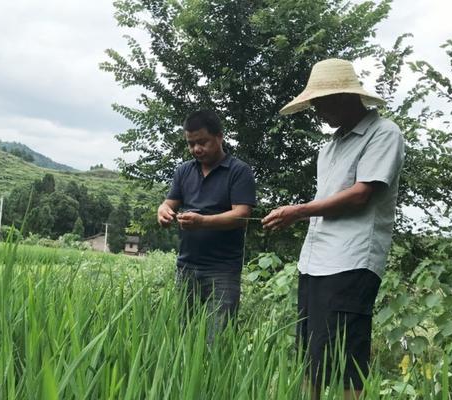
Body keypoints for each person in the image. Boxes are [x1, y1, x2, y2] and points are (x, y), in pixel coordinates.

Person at [262, 59, 405, 398]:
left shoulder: (384, 133)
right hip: (314, 262)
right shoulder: (328, 149)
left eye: (321, 103)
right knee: (310, 356)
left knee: (346, 360)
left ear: (345, 97)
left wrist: (298, 211)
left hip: (352, 261)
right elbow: (327, 200)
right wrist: (300, 214)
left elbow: (361, 195)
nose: (317, 113)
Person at [157, 109, 256, 339]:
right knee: (182, 337)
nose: (196, 149)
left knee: (217, 340)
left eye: (202, 142)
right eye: (191, 144)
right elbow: (168, 203)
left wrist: (202, 222)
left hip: (222, 270)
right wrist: (163, 212)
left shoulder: (239, 171)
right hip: (186, 267)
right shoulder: (184, 171)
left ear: (219, 137)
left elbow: (242, 215)